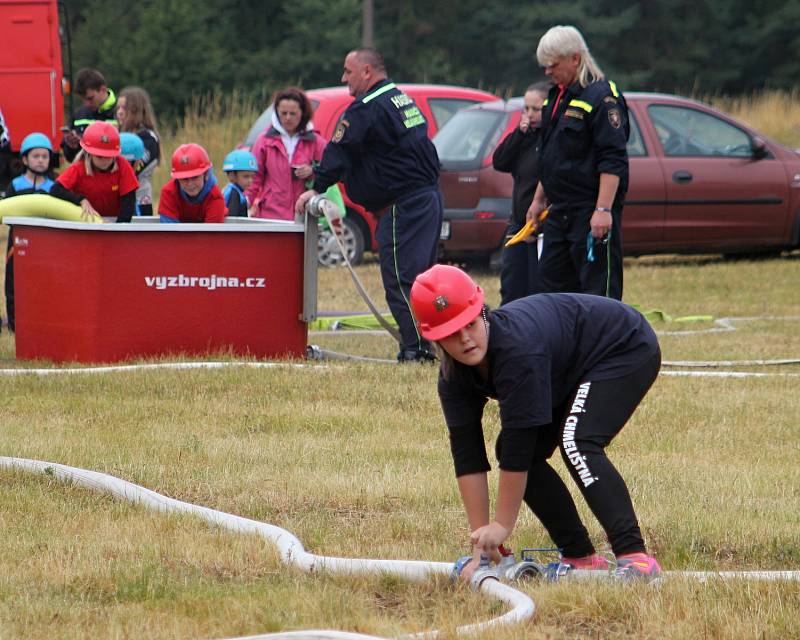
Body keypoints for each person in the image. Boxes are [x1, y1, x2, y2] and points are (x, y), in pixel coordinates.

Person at [409, 264, 662, 581]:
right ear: (433, 338)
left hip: (622, 346)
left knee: (576, 442)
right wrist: (482, 543)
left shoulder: (517, 351)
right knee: (514, 450)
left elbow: (520, 442)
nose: (465, 339)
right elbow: (467, 454)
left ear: (483, 312)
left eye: (470, 325)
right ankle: (580, 556)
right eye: (450, 334)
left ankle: (634, 556)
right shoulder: (452, 378)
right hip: (564, 365)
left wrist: (501, 526)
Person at [294, 48, 443, 363]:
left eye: (348, 71)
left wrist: (317, 185)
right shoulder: (401, 99)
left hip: (402, 204)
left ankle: (416, 349)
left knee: (402, 278)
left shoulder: (367, 108)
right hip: (426, 198)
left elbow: (341, 149)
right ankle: (428, 342)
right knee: (423, 278)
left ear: (366, 71)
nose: (343, 78)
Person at [526, 25, 629, 300]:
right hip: (560, 212)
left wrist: (603, 210)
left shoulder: (603, 97)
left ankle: (606, 344)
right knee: (552, 292)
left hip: (590, 212)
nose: (547, 71)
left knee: (598, 295)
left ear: (575, 58)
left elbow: (613, 158)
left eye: (552, 65)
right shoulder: (556, 96)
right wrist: (538, 200)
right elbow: (550, 156)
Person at [3, 133, 87, 332]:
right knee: (13, 281)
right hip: (18, 242)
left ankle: (47, 320)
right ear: (24, 159)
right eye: (35, 156)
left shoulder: (55, 186)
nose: (40, 160)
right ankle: (15, 324)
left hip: (47, 244)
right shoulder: (15, 186)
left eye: (45, 156)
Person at [492, 82, 549, 305]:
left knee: (537, 289)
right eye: (526, 109)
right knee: (511, 286)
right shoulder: (525, 137)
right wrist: (519, 133)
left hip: (541, 225)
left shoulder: (553, 140)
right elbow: (500, 161)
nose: (530, 115)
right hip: (518, 224)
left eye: (536, 109)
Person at [247, 87, 327, 221]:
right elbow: (253, 179)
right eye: (283, 113)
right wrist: (243, 204)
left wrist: (312, 171)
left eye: (293, 113)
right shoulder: (264, 141)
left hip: (305, 216)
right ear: (276, 112)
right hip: (270, 216)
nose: (288, 118)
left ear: (303, 113)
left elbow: (330, 171)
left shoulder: (316, 142)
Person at [57, 121, 138, 222]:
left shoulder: (123, 165)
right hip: (84, 223)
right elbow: (56, 190)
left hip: (114, 223)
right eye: (99, 156)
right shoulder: (79, 168)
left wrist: (117, 229)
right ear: (88, 153)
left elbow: (128, 203)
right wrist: (81, 200)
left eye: (109, 156)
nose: (105, 161)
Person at [117, 86, 161, 216]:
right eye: (117, 108)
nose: (119, 112)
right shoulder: (116, 135)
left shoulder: (149, 138)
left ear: (137, 110)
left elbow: (133, 170)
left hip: (140, 202)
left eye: (124, 108)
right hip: (118, 200)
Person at [61, 68, 118, 163]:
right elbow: (70, 158)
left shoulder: (120, 111)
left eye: (90, 98)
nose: (86, 104)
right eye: (82, 99)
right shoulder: (79, 115)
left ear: (103, 90)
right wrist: (72, 147)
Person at [159, 143, 226, 223]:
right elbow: (170, 233)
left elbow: (211, 234)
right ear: (177, 179)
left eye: (195, 177)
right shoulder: (169, 193)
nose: (190, 183)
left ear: (206, 174)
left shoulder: (215, 197)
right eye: (184, 179)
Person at [222, 149, 257, 217]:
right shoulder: (234, 194)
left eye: (252, 176)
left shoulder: (237, 192)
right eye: (246, 176)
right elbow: (233, 221)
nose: (250, 180)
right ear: (232, 175)